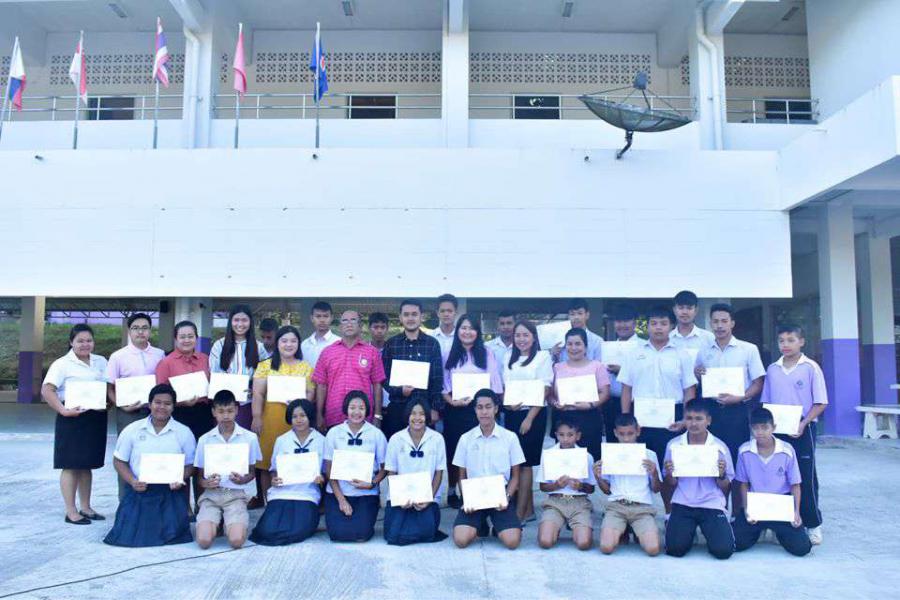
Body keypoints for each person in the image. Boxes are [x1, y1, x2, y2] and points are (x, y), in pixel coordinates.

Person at [618, 306, 696, 513]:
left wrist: (686, 419)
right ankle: (634, 514)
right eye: (653, 323)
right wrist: (626, 419)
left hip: (672, 419)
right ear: (647, 327)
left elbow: (689, 390)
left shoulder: (681, 354)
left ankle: (671, 514)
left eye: (663, 323)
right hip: (640, 420)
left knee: (669, 468)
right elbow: (626, 389)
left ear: (671, 326)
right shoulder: (634, 353)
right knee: (638, 466)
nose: (658, 328)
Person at [103, 384, 195, 547]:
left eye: (167, 403)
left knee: (172, 534)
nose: (162, 407)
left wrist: (180, 477)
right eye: (157, 402)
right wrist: (132, 481)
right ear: (150, 404)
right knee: (128, 535)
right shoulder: (132, 430)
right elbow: (119, 461)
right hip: (140, 490)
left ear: (173, 406)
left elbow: (191, 465)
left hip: (170, 491)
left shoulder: (184, 432)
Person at [760, 324, 826, 545]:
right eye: (781, 341)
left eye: (791, 340)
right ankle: (776, 522)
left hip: (802, 429)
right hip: (777, 431)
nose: (785, 345)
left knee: (804, 477)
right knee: (776, 476)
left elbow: (820, 402)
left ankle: (812, 524)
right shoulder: (773, 369)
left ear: (801, 342)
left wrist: (803, 423)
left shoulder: (810, 368)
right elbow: (766, 403)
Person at [41, 324, 109, 525]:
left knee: (87, 464)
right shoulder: (62, 364)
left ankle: (86, 507)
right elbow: (47, 390)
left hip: (95, 418)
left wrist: (108, 403)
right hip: (71, 418)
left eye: (89, 340)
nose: (85, 344)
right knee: (70, 464)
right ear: (71, 342)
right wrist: (63, 410)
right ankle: (71, 511)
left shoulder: (101, 361)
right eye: (80, 341)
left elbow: (107, 387)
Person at [442, 315, 504, 510]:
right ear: (458, 331)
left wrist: (492, 407)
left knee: (478, 451)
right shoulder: (449, 353)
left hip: (480, 410)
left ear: (478, 332)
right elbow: (443, 383)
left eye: (471, 328)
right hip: (456, 409)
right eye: (463, 328)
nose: (467, 332)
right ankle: (453, 489)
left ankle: (477, 492)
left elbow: (495, 382)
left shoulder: (487, 353)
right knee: (455, 451)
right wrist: (452, 401)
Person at [452, 389, 525, 549]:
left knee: (512, 542)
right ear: (475, 410)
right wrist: (466, 499)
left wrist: (507, 497)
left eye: (488, 407)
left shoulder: (510, 437)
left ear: (496, 408)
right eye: (479, 407)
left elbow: (515, 476)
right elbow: (462, 476)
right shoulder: (465, 439)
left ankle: (497, 527)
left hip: (500, 494)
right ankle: (481, 525)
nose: (484, 412)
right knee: (461, 540)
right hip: (474, 494)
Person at [733, 407, 811, 556]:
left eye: (764, 427)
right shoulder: (744, 451)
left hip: (781, 504)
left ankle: (778, 532)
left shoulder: (787, 450)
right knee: (735, 543)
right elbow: (743, 483)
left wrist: (796, 512)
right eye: (755, 428)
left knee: (802, 548)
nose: (760, 432)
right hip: (756, 504)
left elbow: (795, 484)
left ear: (773, 427)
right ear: (751, 428)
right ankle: (758, 531)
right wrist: (747, 509)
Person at [663, 399, 735, 560]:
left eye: (698, 419)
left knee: (723, 551)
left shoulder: (719, 447)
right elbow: (670, 484)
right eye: (689, 418)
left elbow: (726, 486)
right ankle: (686, 531)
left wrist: (721, 474)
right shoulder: (674, 445)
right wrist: (670, 474)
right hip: (683, 502)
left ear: (708, 420)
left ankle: (712, 529)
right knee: (675, 549)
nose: (693, 423)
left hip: (711, 502)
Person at [695, 303, 765, 466]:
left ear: (732, 323)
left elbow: (758, 383)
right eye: (715, 321)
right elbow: (699, 378)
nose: (719, 326)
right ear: (710, 323)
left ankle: (737, 483)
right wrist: (698, 374)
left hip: (737, 410)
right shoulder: (704, 351)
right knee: (711, 456)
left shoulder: (748, 349)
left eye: (724, 321)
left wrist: (739, 397)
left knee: (737, 455)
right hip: (710, 410)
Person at [105, 312, 166, 499]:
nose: (140, 332)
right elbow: (109, 387)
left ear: (150, 330)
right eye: (136, 328)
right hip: (128, 413)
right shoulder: (118, 356)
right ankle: (126, 502)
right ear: (129, 331)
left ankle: (152, 501)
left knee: (154, 453)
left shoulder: (159, 354)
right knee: (126, 456)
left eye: (145, 328)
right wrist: (121, 405)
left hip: (154, 413)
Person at [251, 325, 314, 503]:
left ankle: (295, 498)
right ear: (277, 343)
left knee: (294, 459)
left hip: (297, 420)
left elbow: (310, 393)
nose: (289, 344)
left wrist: (301, 401)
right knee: (267, 463)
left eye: (293, 341)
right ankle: (269, 501)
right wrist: (256, 417)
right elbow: (258, 393)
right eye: (284, 341)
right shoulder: (265, 366)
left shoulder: (305, 367)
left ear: (298, 344)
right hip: (270, 418)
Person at [249, 399, 326, 546]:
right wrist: (274, 479)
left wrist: (321, 479)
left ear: (309, 416)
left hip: (307, 493)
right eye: (294, 416)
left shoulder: (321, 441)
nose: (299, 420)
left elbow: (325, 472)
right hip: (282, 492)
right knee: (267, 531)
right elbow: (273, 469)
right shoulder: (282, 440)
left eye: (302, 415)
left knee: (298, 530)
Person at [194, 390, 263, 550]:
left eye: (230, 411)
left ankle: (228, 522)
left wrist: (243, 480)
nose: (226, 416)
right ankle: (217, 522)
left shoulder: (249, 438)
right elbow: (199, 478)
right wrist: (207, 483)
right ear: (213, 412)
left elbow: (252, 472)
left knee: (236, 541)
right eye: (221, 411)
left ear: (237, 410)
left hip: (236, 495)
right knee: (204, 541)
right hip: (212, 495)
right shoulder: (205, 440)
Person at [156, 320, 212, 513]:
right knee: (183, 460)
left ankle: (202, 504)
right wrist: (180, 402)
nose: (186, 340)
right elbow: (161, 393)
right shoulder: (166, 363)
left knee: (202, 460)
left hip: (204, 414)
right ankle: (184, 506)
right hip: (179, 414)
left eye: (190, 336)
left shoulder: (205, 359)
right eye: (182, 337)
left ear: (196, 338)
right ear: (175, 339)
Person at [502, 319, 552, 522]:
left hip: (534, 414)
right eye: (518, 335)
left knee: (525, 464)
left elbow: (545, 389)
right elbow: (505, 386)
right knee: (514, 462)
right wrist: (507, 405)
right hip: (512, 414)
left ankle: (520, 513)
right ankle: (529, 510)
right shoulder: (508, 357)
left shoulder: (543, 357)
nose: (521, 339)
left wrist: (530, 418)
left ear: (534, 337)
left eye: (525, 335)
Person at [323, 391, 388, 542]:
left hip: (365, 493)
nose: (357, 412)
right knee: (336, 534)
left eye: (361, 408)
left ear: (367, 410)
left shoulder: (376, 434)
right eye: (352, 407)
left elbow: (385, 468)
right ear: (346, 409)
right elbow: (329, 470)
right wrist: (341, 500)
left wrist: (372, 483)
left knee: (361, 534)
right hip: (338, 493)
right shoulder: (334, 433)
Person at [594, 414, 662, 556]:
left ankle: (631, 529)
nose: (626, 439)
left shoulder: (649, 455)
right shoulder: (610, 455)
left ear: (638, 431)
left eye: (630, 434)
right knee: (606, 547)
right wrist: (598, 477)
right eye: (621, 434)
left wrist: (654, 474)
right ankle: (624, 529)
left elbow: (656, 489)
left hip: (641, 508)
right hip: (617, 507)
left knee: (653, 549)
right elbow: (607, 491)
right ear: (615, 433)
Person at [383, 399, 448, 545]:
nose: (417, 418)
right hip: (400, 498)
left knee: (426, 532)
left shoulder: (437, 439)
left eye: (422, 414)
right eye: (413, 413)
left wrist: (429, 498)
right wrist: (399, 497)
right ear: (407, 415)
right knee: (394, 533)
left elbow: (438, 473)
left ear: (427, 416)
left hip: (426, 498)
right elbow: (391, 472)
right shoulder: (396, 439)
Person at [313, 310, 385, 431]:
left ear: (360, 326)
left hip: (363, 417)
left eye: (353, 320)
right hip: (334, 416)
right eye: (345, 321)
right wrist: (319, 414)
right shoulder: (327, 352)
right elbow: (321, 385)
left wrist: (378, 415)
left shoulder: (372, 352)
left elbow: (377, 385)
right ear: (340, 327)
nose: (349, 324)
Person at [382, 299, 444, 438]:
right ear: (400, 317)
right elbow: (384, 377)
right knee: (397, 445)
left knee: (424, 446)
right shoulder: (391, 344)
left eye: (414, 314)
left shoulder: (432, 344)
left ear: (421, 316)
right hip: (398, 406)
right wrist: (400, 391)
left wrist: (435, 408)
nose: (410, 318)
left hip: (424, 407)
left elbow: (437, 379)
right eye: (406, 314)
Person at [537, 415, 596, 551]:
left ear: (578, 436)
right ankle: (554, 527)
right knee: (545, 542)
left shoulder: (586, 457)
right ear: (556, 435)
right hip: (555, 501)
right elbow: (542, 486)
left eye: (570, 435)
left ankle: (577, 528)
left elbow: (591, 488)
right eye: (561, 435)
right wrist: (556, 485)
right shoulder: (549, 455)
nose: (565, 439)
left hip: (579, 502)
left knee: (584, 543)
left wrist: (580, 486)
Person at [551, 328, 610, 461]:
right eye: (570, 344)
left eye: (578, 344)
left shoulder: (597, 366)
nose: (573, 348)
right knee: (565, 461)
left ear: (585, 346)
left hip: (589, 418)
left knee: (591, 458)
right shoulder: (557, 367)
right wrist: (555, 403)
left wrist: (590, 405)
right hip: (563, 419)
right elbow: (550, 395)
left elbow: (605, 393)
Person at [209, 304, 267, 430]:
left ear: (250, 322)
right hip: (225, 405)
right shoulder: (219, 345)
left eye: (244, 320)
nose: (240, 324)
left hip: (248, 404)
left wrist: (254, 390)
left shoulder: (259, 347)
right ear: (230, 322)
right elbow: (214, 373)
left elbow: (264, 376)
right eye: (236, 320)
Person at [602, 304, 642, 444]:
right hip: (611, 402)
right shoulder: (608, 347)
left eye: (626, 321)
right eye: (619, 321)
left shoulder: (643, 346)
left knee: (636, 441)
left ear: (634, 323)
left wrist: (622, 371)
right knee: (613, 441)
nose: (622, 325)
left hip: (636, 403)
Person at [669, 290, 715, 357]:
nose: (685, 312)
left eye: (689, 308)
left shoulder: (709, 338)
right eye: (681, 308)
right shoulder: (667, 338)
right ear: (674, 310)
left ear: (696, 310)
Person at [300, 301, 340, 369]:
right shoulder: (304, 345)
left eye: (326, 316)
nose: (322, 320)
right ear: (312, 318)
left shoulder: (339, 343)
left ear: (331, 318)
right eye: (318, 316)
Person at [368, 312, 391, 418]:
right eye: (376, 327)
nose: (379, 331)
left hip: (389, 402)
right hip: (367, 403)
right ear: (369, 328)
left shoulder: (392, 349)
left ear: (387, 328)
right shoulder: (363, 350)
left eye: (382, 327)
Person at [432, 293, 459, 364]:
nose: (446, 314)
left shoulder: (461, 337)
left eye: (450, 311)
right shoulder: (430, 337)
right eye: (442, 311)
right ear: (437, 313)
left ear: (456, 312)